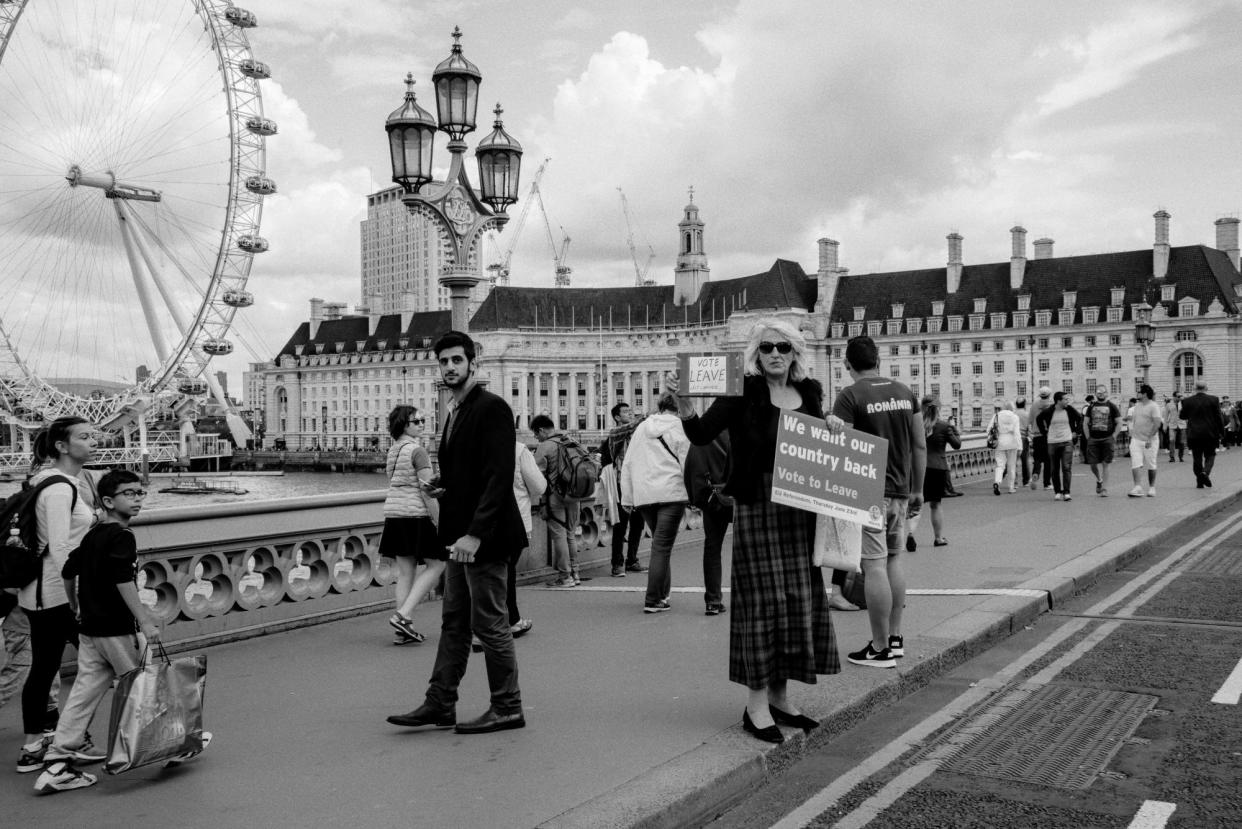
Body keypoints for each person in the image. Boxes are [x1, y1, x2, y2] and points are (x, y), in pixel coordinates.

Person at [669, 317, 838, 743]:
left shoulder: (811, 393)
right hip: (759, 503)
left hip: (800, 506)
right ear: (756, 355)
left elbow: (822, 448)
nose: (775, 354)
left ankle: (781, 699)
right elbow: (703, 434)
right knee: (762, 602)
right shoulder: (742, 391)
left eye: (782, 346)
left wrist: (833, 427)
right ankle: (755, 705)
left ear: (795, 351)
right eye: (767, 348)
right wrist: (685, 405)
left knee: (796, 598)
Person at [34, 470, 210, 794]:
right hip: (118, 631)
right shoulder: (121, 536)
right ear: (108, 501)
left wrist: (76, 606)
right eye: (129, 494)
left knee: (83, 695)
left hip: (90, 631)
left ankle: (57, 763)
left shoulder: (94, 534)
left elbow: (67, 571)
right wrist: (144, 621)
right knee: (147, 686)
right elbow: (123, 580)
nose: (138, 499)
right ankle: (177, 741)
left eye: (140, 493)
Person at [386, 330, 526, 735]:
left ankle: (508, 707)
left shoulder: (491, 408)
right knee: (454, 622)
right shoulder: (454, 411)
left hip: (486, 538)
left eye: (456, 361)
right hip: (459, 537)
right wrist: (444, 487)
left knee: (490, 624)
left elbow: (499, 476)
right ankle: (440, 703)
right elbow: (473, 473)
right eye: (444, 361)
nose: (449, 367)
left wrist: (476, 535)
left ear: (472, 364)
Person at [828, 335, 926, 671]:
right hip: (901, 489)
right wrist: (918, 489)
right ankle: (896, 639)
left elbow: (844, 451)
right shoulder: (904, 392)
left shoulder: (850, 395)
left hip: (869, 493)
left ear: (847, 365)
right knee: (895, 560)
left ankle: (880, 648)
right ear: (879, 360)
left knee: (874, 566)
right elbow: (919, 446)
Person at [15, 418, 98, 775]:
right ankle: (72, 740)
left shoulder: (42, 482)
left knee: (45, 666)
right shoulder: (61, 489)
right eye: (84, 437)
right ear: (62, 446)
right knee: (114, 661)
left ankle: (36, 744)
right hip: (59, 594)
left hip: (37, 593)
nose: (93, 441)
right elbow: (62, 547)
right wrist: (77, 599)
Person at [621, 394, 690, 614]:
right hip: (671, 493)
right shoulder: (680, 427)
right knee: (662, 546)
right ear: (678, 408)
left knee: (660, 545)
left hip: (645, 496)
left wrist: (627, 498)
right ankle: (652, 599)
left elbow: (628, 463)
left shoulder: (642, 428)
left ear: (660, 407)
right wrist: (694, 494)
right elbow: (687, 462)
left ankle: (663, 594)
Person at [378, 405, 441, 645]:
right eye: (417, 421)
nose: (423, 424)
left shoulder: (393, 451)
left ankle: (403, 628)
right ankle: (403, 615)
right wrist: (438, 520)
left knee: (405, 573)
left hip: (394, 515)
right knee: (437, 565)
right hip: (415, 515)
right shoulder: (418, 451)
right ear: (405, 425)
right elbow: (427, 490)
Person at [531, 414, 585, 588]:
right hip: (575, 495)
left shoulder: (545, 447)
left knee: (559, 535)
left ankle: (565, 576)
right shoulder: (572, 442)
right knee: (570, 533)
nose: (536, 438)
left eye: (536, 434)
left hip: (556, 496)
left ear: (541, 430)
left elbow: (535, 476)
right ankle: (575, 573)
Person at [684, 432, 732, 616]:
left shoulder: (707, 430)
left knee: (712, 548)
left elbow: (692, 466)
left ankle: (713, 600)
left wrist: (696, 497)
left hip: (714, 497)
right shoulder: (747, 423)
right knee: (748, 549)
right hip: (745, 496)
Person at [598, 402, 648, 578]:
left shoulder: (637, 435)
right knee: (620, 526)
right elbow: (631, 426)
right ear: (617, 417)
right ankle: (617, 564)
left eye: (630, 410)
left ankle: (632, 560)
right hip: (621, 484)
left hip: (638, 484)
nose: (630, 413)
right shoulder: (615, 433)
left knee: (638, 524)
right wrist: (646, 416)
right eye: (626, 412)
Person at [910, 398, 959, 547]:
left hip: (918, 467)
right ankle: (938, 538)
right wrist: (954, 428)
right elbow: (957, 445)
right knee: (935, 505)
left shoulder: (915, 424)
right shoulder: (944, 426)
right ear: (938, 409)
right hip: (938, 468)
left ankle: (910, 533)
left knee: (914, 503)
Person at [1036, 392, 1082, 501]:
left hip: (1067, 441)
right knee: (1054, 468)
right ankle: (1057, 491)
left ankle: (1066, 492)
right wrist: (1044, 432)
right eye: (1065, 399)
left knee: (1066, 467)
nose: (1067, 401)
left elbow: (1080, 419)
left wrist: (1076, 431)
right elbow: (1039, 419)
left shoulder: (1069, 409)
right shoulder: (1049, 411)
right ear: (1058, 401)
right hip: (1052, 442)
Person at [1180, 379, 1225, 488]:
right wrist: (1221, 433)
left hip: (1194, 434)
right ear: (1206, 388)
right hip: (1210, 433)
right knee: (1210, 455)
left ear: (1194, 388)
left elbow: (1182, 416)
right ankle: (1205, 473)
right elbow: (1219, 418)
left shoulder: (1187, 401)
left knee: (1197, 457)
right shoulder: (1214, 400)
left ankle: (1199, 482)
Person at [1082, 386, 1121, 497]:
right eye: (1098, 393)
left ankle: (1105, 488)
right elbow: (1085, 423)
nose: (1100, 394)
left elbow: (1119, 422)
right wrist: (1088, 437)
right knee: (1092, 464)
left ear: (1106, 393)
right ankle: (1099, 479)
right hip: (1093, 439)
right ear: (1095, 394)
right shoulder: (1091, 407)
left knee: (1106, 463)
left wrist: (1114, 436)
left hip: (1107, 438)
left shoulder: (1112, 406)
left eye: (1102, 392)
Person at [1127, 384, 1163, 498]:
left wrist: (1149, 437)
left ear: (1145, 394)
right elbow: (1136, 420)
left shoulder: (1154, 406)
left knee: (1151, 463)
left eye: (1139, 392)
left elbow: (1157, 423)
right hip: (1136, 439)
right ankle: (1137, 486)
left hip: (1150, 440)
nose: (1137, 394)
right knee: (1135, 463)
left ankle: (1152, 487)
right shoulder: (1137, 406)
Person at [988, 401, 1022, 495]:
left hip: (1000, 441)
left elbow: (989, 429)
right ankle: (1011, 487)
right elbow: (1017, 433)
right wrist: (1020, 446)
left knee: (1000, 464)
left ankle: (997, 482)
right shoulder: (1015, 417)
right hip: (1012, 442)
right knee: (1011, 465)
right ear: (1012, 408)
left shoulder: (997, 416)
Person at [1028, 386, 1054, 490]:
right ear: (1049, 395)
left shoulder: (1034, 404)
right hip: (1048, 435)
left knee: (1037, 458)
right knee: (1048, 460)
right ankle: (1047, 483)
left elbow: (1030, 420)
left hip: (1037, 435)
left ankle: (1035, 473)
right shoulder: (1051, 405)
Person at [1015, 397, 1031, 487]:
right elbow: (1030, 428)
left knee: (1013, 460)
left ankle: (1015, 482)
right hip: (1024, 438)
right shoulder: (1027, 414)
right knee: (1025, 460)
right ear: (1024, 404)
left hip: (1014, 438)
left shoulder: (1013, 414)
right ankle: (1026, 481)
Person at [1165, 392, 1186, 462]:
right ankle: (1172, 457)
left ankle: (1181, 456)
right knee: (1172, 441)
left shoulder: (1183, 403)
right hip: (1172, 425)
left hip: (1182, 424)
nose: (1179, 397)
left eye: (1180, 396)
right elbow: (1166, 416)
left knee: (1182, 442)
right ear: (1174, 397)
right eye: (1178, 396)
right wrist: (1165, 426)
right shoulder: (1168, 405)